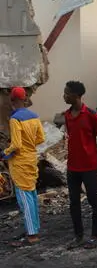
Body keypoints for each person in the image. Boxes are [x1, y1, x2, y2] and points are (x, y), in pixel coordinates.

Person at [1, 87, 45, 247]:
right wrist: (29, 144)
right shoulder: (34, 117)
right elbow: (41, 138)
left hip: (20, 163)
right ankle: (34, 228)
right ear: (25, 99)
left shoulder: (15, 119)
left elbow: (16, 144)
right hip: (31, 160)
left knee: (24, 199)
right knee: (32, 195)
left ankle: (32, 235)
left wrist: (4, 152)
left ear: (12, 100)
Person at [63, 81, 97, 249]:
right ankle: (78, 235)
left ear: (77, 95)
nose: (64, 96)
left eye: (66, 93)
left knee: (95, 202)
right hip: (72, 167)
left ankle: (95, 235)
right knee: (74, 203)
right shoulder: (66, 115)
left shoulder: (91, 115)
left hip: (89, 166)